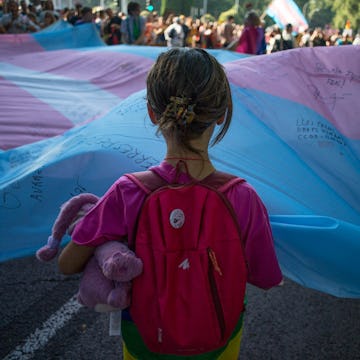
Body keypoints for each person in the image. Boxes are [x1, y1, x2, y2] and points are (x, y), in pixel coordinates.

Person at [58, 47, 283, 359]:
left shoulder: (127, 192)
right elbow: (267, 277)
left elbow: (67, 262)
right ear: (220, 114)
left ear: (152, 112)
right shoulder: (243, 197)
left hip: (145, 343)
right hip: (217, 345)